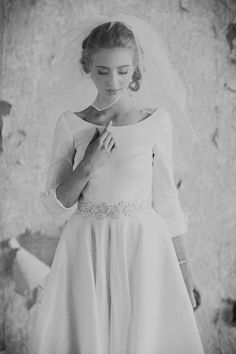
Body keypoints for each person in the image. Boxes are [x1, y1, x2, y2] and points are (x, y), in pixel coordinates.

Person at [29, 14, 205, 354]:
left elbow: (167, 203)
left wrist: (186, 272)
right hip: (86, 248)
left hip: (143, 247)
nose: (113, 81)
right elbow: (53, 206)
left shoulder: (155, 122)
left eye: (123, 71)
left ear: (136, 69)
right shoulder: (71, 125)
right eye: (103, 71)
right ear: (87, 68)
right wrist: (88, 165)